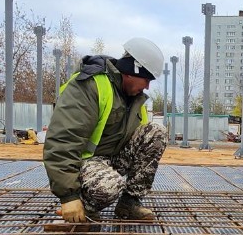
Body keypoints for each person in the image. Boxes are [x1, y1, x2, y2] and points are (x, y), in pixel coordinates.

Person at [44, 37, 167, 223]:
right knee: (109, 186)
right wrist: (68, 196)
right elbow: (63, 138)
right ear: (131, 72)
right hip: (86, 162)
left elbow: (138, 142)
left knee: (155, 132)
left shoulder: (135, 98)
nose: (147, 86)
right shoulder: (89, 86)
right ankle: (82, 208)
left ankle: (129, 203)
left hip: (111, 160)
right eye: (146, 79)